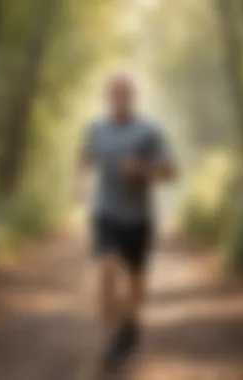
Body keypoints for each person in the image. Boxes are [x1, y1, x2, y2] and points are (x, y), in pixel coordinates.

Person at [79, 71, 176, 367]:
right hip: (106, 213)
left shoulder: (148, 131)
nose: (119, 97)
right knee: (107, 267)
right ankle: (116, 338)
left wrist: (143, 169)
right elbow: (85, 158)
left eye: (125, 93)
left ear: (134, 97)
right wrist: (79, 181)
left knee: (135, 281)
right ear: (108, 96)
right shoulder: (95, 129)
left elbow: (170, 172)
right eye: (115, 92)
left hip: (139, 218)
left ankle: (131, 326)